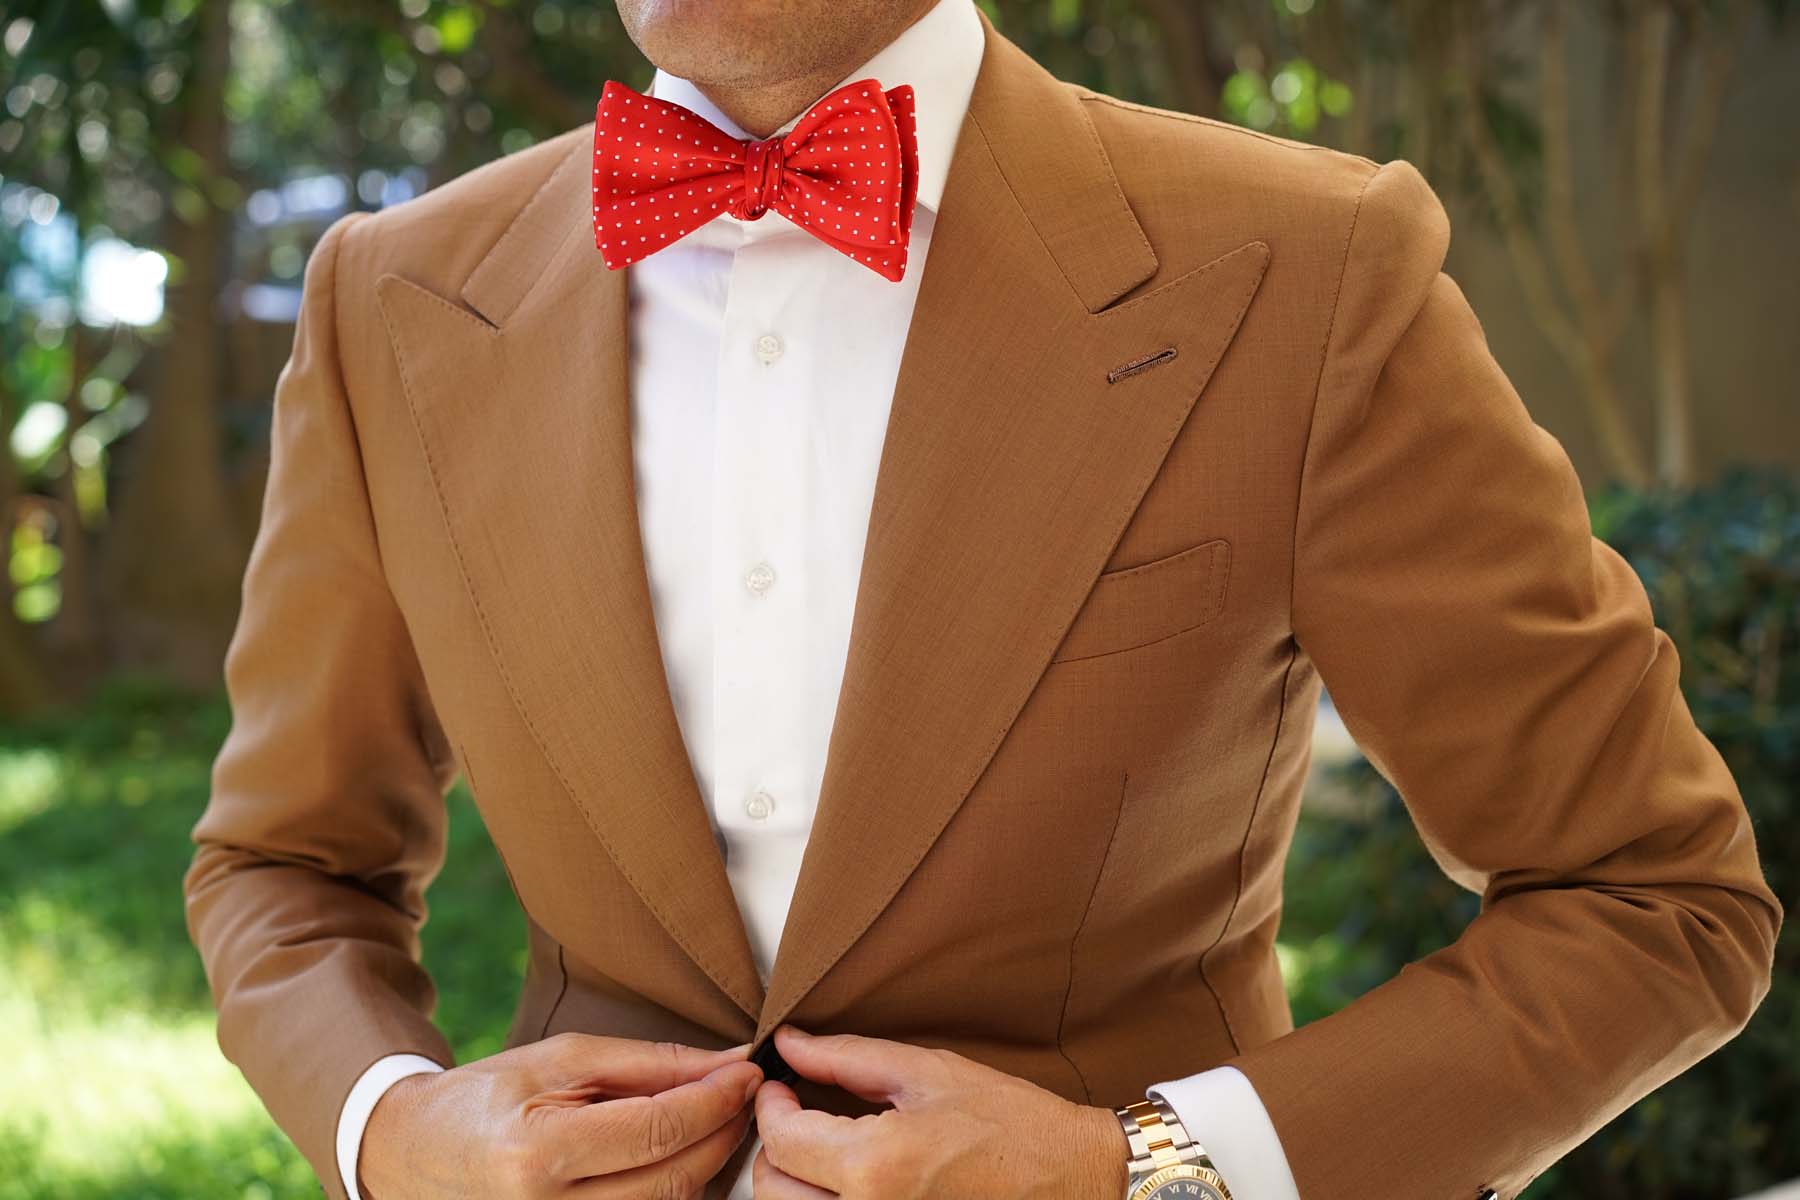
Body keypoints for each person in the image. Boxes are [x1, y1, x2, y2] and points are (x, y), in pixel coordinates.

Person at [181, 1, 1784, 1198]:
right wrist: (391, 1125)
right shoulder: (391, 299)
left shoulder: (1310, 272)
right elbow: (284, 862)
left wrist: (1147, 1168)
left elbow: (1652, 899)